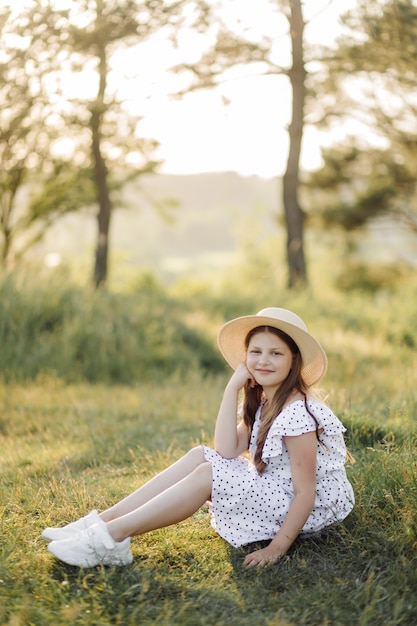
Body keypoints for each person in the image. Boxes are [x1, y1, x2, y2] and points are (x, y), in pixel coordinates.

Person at [43, 307, 355, 569]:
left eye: (276, 353)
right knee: (200, 455)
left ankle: (111, 537)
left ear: (293, 360)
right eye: (256, 352)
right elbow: (226, 449)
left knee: (209, 472)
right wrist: (232, 388)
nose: (264, 361)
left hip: (307, 509)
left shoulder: (298, 414)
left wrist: (277, 548)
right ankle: (103, 521)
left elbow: (305, 492)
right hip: (277, 491)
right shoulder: (266, 401)